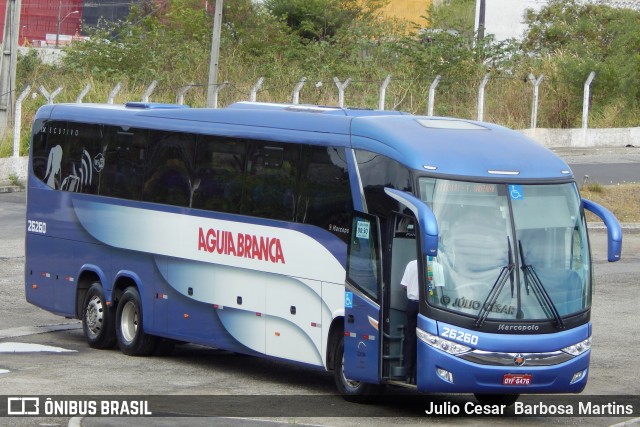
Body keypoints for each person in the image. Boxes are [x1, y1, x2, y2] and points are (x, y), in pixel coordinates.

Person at [400, 259, 419, 384]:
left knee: (410, 339)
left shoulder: (411, 264)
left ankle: (408, 374)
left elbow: (404, 286)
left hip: (412, 304)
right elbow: (440, 289)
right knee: (426, 341)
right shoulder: (436, 265)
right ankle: (418, 374)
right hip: (428, 308)